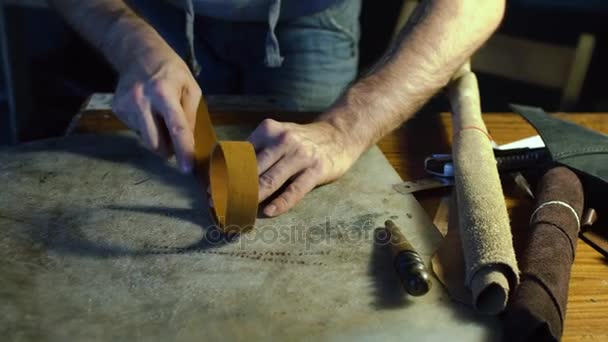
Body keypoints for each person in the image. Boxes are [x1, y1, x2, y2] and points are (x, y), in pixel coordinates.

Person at [50, 0, 505, 217]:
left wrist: (346, 127)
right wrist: (125, 41)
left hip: (309, 18)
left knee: (312, 195)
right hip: (154, 13)